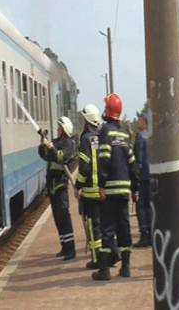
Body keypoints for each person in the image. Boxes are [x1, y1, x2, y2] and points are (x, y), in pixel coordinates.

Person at [92, 94, 140, 281]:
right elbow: (132, 163)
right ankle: (126, 268)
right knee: (124, 227)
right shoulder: (125, 133)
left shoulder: (105, 131)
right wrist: (135, 189)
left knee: (107, 229)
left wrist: (102, 185)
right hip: (124, 189)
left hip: (110, 189)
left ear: (108, 111)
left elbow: (103, 158)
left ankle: (104, 270)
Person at [38, 116, 77, 261]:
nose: (58, 129)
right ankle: (64, 246)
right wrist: (43, 142)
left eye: (60, 127)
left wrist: (52, 148)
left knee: (64, 217)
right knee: (57, 218)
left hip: (60, 184)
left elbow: (61, 157)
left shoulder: (69, 144)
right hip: (52, 186)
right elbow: (44, 155)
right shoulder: (56, 142)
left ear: (65, 129)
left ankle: (71, 249)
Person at [75, 104, 102, 270]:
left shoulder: (85, 139)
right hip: (102, 188)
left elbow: (84, 167)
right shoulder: (100, 136)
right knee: (103, 223)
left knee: (92, 225)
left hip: (90, 190)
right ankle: (105, 255)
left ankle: (97, 259)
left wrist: (78, 184)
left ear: (87, 121)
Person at [133, 114, 152, 248]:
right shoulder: (150, 136)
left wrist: (135, 176)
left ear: (145, 122)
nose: (138, 122)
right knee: (149, 206)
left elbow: (138, 159)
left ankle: (144, 235)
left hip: (142, 177)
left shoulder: (141, 137)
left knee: (141, 207)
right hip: (150, 175)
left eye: (140, 120)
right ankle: (151, 234)